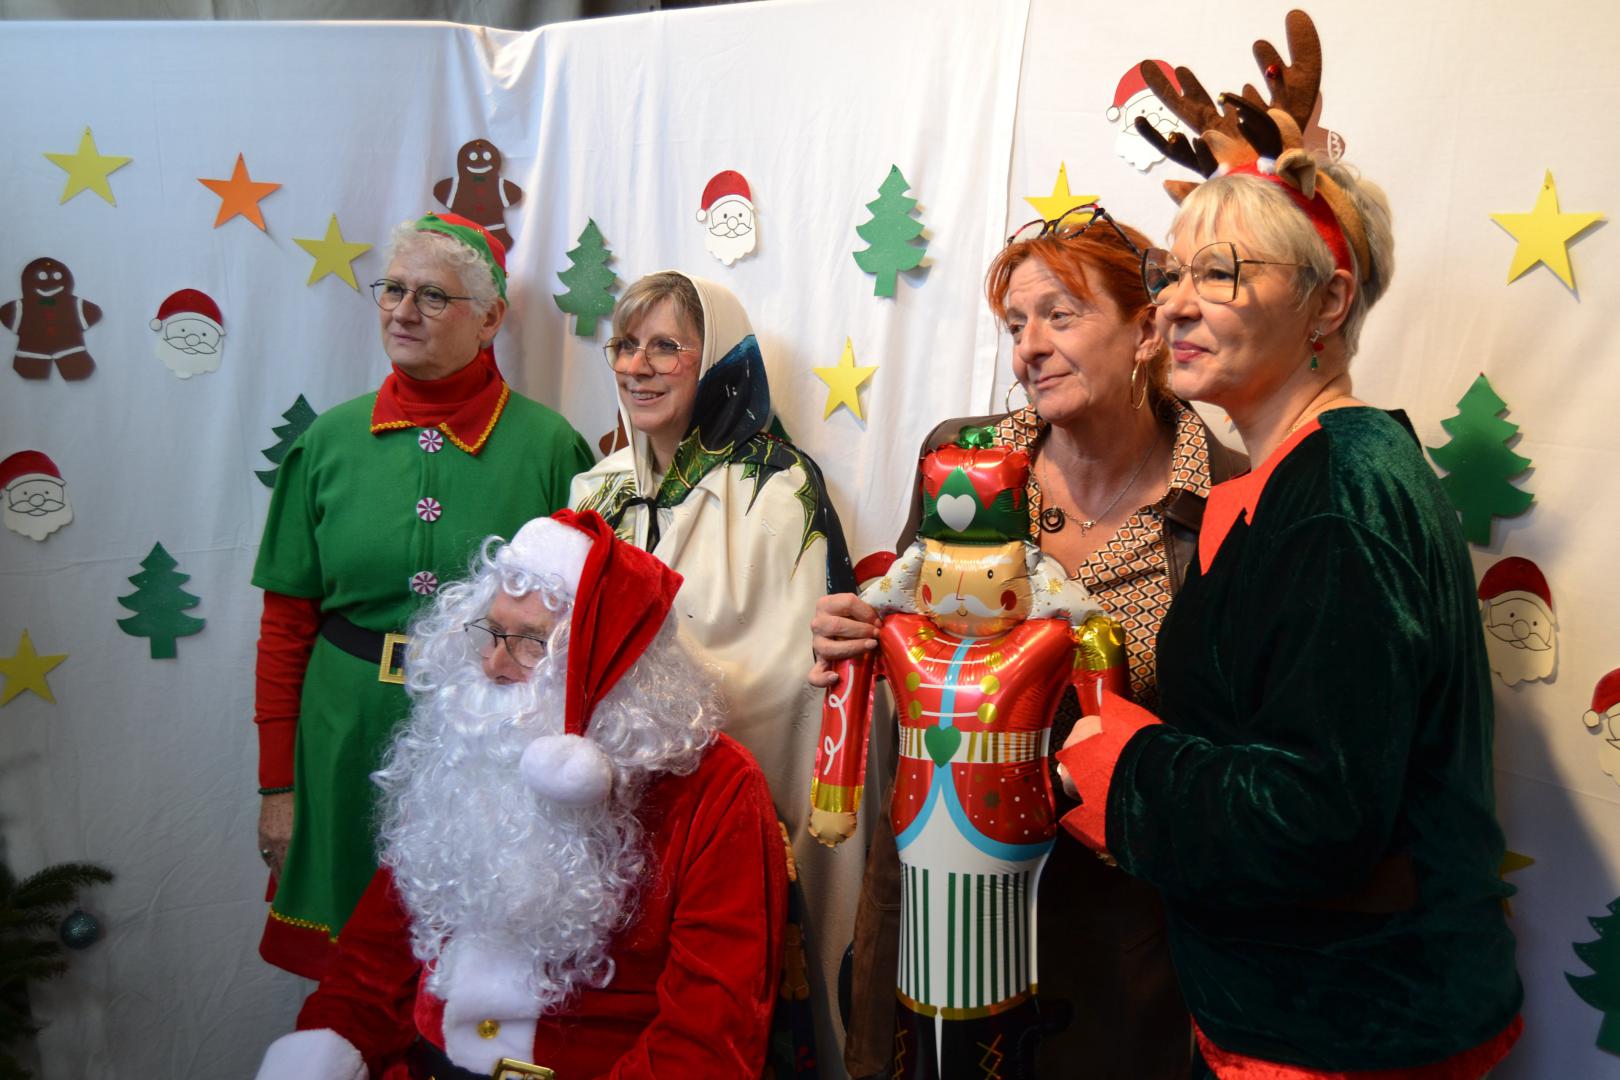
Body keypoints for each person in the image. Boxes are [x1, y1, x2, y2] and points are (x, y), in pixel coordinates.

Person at [1055, 15, 1522, 1077]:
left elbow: (1316, 819)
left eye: (1220, 273)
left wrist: (1120, 763)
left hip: (1346, 1036)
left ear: (1330, 302)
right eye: (1169, 273)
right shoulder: (1297, 478)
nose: (1174, 306)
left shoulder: (1342, 496)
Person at [813, 204, 1243, 1079]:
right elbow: (913, 630)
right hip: (940, 892)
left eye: (1060, 315)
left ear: (1146, 331)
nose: (1029, 349)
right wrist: (854, 634)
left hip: (1112, 930)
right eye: (1016, 325)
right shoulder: (961, 462)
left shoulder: (1225, 496)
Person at [253, 510, 786, 1079]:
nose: (493, 664)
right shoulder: (463, 753)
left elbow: (707, 1036)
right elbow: (372, 965)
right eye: (490, 632)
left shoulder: (716, 787)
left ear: (611, 664)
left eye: (532, 644)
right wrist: (329, 1048)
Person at [252, 212, 594, 979]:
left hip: (492, 744)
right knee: (348, 969)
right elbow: (284, 628)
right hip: (342, 738)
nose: (403, 311)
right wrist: (278, 785)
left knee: (479, 962)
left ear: (489, 320)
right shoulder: (326, 444)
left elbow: (582, 633)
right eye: (393, 290)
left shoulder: (549, 448)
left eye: (433, 296)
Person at [571, 270, 854, 1075]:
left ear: (721, 362)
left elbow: (788, 672)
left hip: (721, 805)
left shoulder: (778, 484)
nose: (639, 366)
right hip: (604, 803)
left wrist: (651, 714)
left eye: (666, 346)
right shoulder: (596, 489)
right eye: (626, 344)